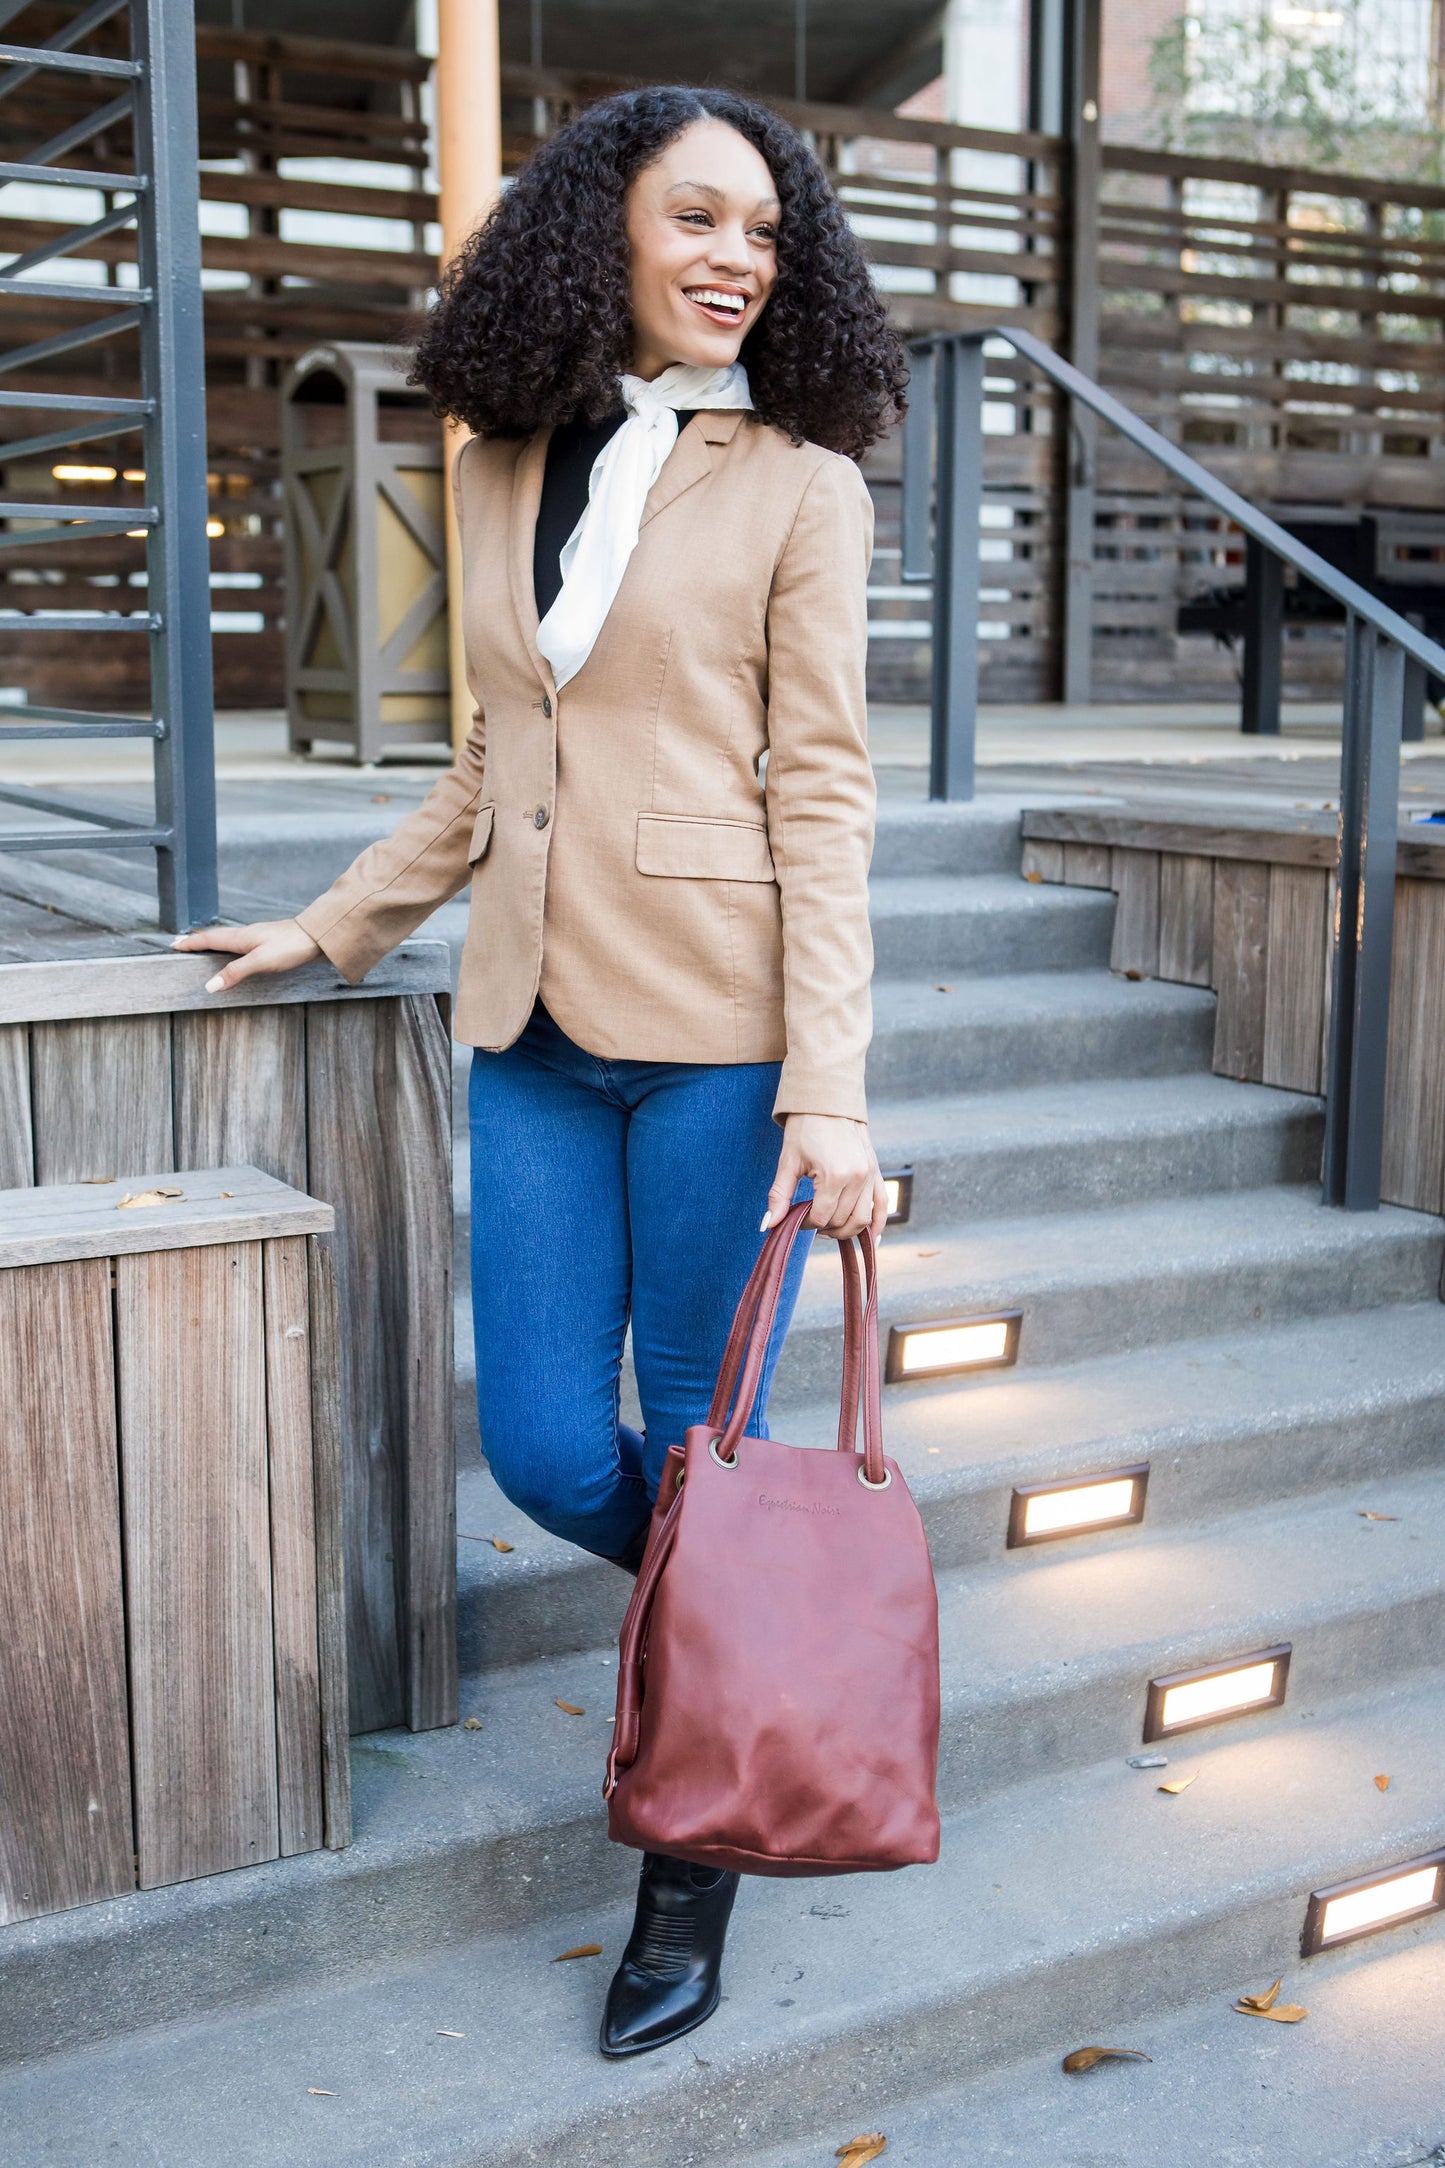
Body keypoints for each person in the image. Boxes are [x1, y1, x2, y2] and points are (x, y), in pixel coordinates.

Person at [175, 83, 907, 2060]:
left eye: (767, 228)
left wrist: (829, 1091)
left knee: (695, 1447)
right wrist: (333, 925)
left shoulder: (802, 485)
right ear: (601, 231)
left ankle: (694, 1872)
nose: (739, 257)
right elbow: (491, 765)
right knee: (548, 1457)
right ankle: (775, 1635)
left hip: (723, 1045)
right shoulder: (500, 456)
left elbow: (825, 802)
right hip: (527, 1026)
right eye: (698, 217)